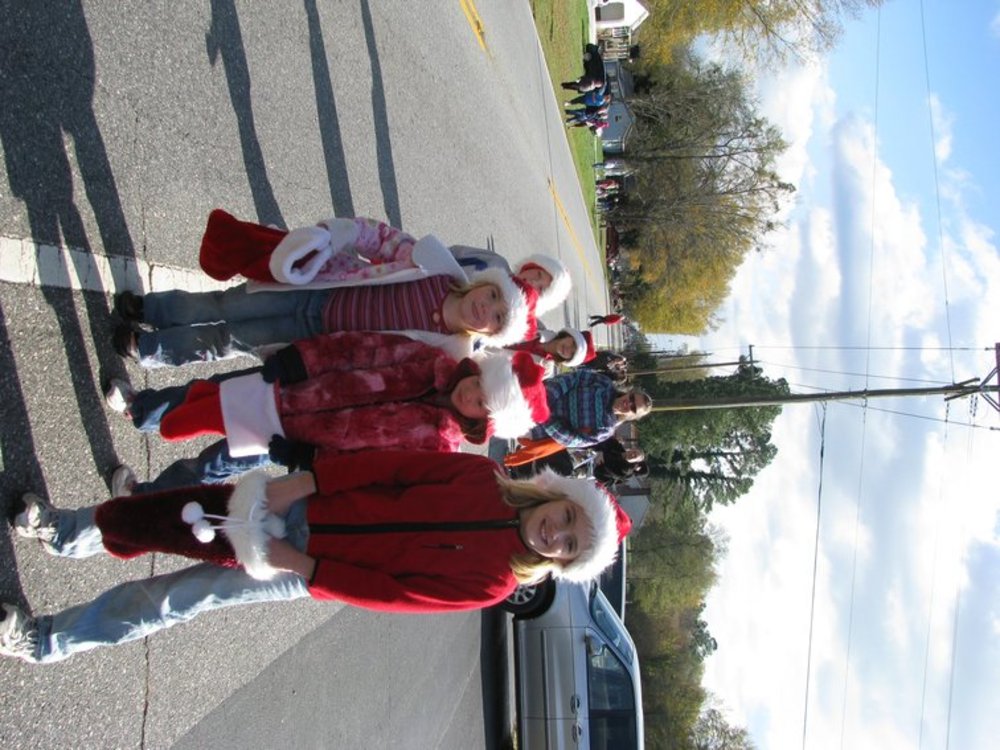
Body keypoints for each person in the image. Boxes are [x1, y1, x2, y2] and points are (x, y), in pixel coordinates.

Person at [1, 450, 627, 664]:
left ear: (564, 563)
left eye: (570, 546)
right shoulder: (483, 477)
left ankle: (45, 641)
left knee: (179, 597)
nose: (557, 533)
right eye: (569, 517)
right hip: (305, 500)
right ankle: (64, 531)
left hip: (302, 567)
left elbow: (393, 593)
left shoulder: (493, 583)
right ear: (559, 496)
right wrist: (304, 483)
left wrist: (302, 567)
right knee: (175, 515)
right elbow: (392, 467)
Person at [105, 332, 549, 492]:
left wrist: (307, 459)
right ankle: (142, 409)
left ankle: (144, 496)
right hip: (287, 388)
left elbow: (368, 466)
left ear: (485, 420)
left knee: (212, 465)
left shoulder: (439, 447)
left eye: (483, 402)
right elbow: (360, 348)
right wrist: (300, 359)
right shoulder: (432, 362)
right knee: (208, 396)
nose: (472, 394)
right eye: (480, 383)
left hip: (288, 440)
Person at [114, 210, 536, 367]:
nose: (487, 309)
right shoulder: (434, 266)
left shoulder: (445, 353)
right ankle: (150, 310)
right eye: (494, 296)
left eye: (498, 318)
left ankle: (152, 349)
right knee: (225, 303)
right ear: (486, 284)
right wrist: (336, 235)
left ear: (492, 334)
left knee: (227, 340)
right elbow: (378, 237)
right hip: (316, 288)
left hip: (313, 339)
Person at [447, 249, 572, 315]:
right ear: (531, 266)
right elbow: (455, 253)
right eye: (538, 274)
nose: (533, 282)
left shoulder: (508, 321)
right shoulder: (496, 262)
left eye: (541, 289)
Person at [505, 327, 596, 370]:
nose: (568, 349)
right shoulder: (539, 327)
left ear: (569, 360)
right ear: (569, 335)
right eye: (573, 344)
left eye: (572, 354)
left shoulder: (544, 370)